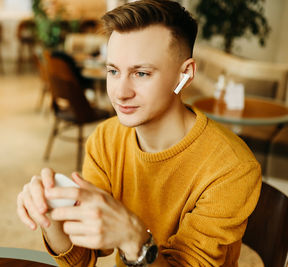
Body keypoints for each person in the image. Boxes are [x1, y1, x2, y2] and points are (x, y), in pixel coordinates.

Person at [16, 0, 262, 266]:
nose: (120, 92)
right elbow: (83, 258)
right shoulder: (105, 139)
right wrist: (50, 217)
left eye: (141, 73)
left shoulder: (232, 168)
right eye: (113, 71)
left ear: (185, 74)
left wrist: (134, 239)